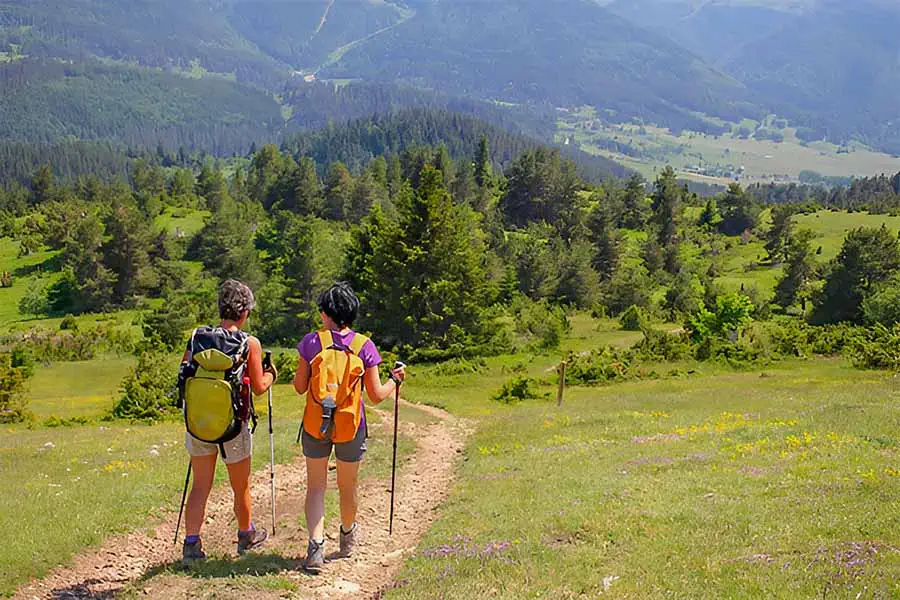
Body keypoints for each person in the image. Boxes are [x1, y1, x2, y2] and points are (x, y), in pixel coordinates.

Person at [293, 282, 406, 573]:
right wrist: (395, 380)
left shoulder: (310, 342)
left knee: (316, 486)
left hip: (316, 423)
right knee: (347, 486)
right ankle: (347, 535)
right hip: (350, 425)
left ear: (325, 314)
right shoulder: (363, 346)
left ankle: (316, 546)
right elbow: (377, 395)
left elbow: (299, 387)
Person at [180, 279, 277, 565]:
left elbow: (184, 373)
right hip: (234, 424)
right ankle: (245, 535)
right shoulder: (250, 343)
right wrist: (272, 375)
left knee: (200, 485)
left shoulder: (197, 336)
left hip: (199, 423)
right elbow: (259, 386)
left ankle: (191, 544)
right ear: (245, 311)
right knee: (240, 485)